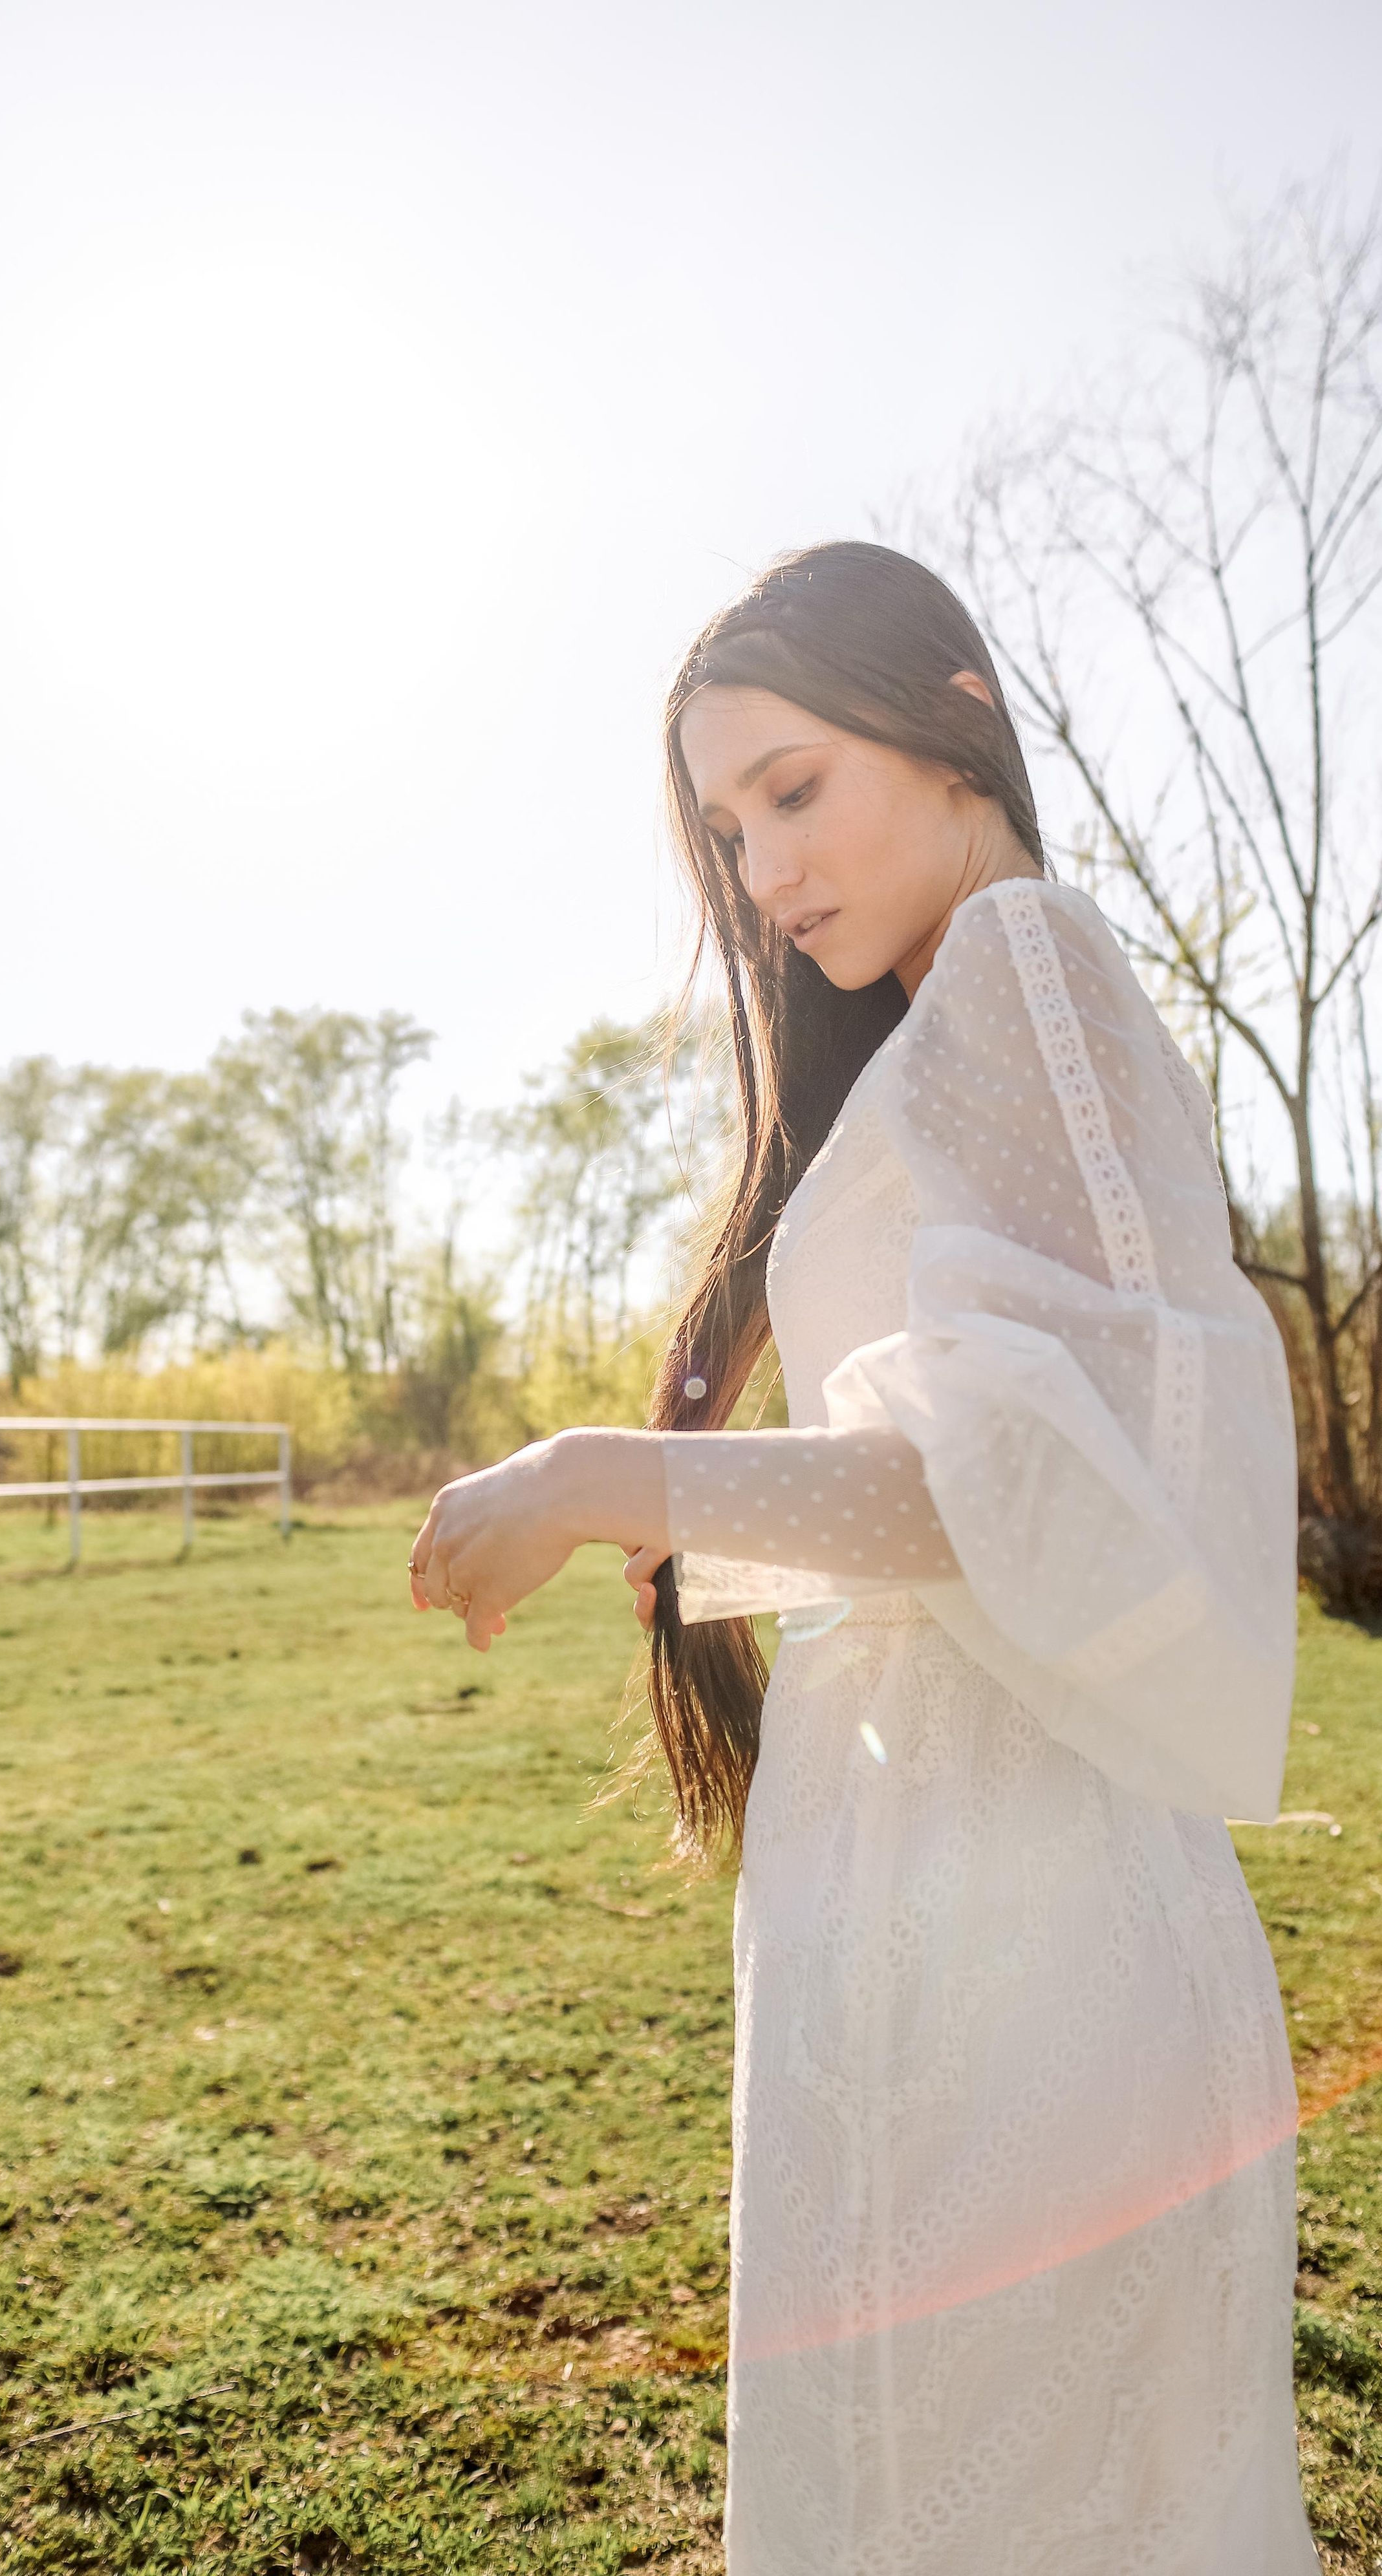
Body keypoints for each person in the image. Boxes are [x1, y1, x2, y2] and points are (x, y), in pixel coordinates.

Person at [407, 541, 1319, 2571]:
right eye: (729, 832)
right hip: (919, 1906)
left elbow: (1037, 1503)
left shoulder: (1025, 964)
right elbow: (946, 1506)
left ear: (962, 715)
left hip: (1027, 1947)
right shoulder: (939, 1030)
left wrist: (597, 1477)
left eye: (795, 790)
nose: (764, 870)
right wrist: (712, 1541)